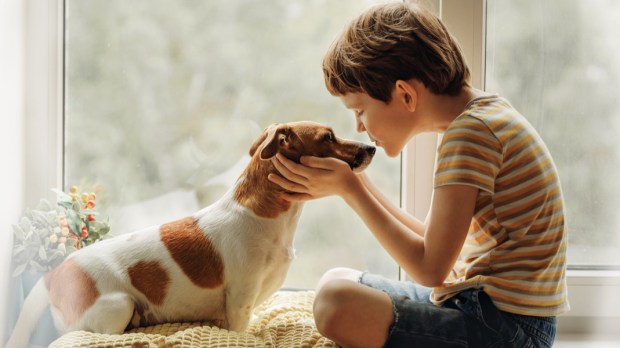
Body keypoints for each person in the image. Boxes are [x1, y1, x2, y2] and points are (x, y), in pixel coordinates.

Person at [267, 2, 568, 348]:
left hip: (505, 331)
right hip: (486, 309)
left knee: (335, 301)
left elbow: (430, 269)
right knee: (337, 279)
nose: (359, 127)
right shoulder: (483, 117)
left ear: (406, 94)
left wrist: (352, 191)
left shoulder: (470, 136)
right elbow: (433, 242)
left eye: (360, 110)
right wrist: (355, 183)